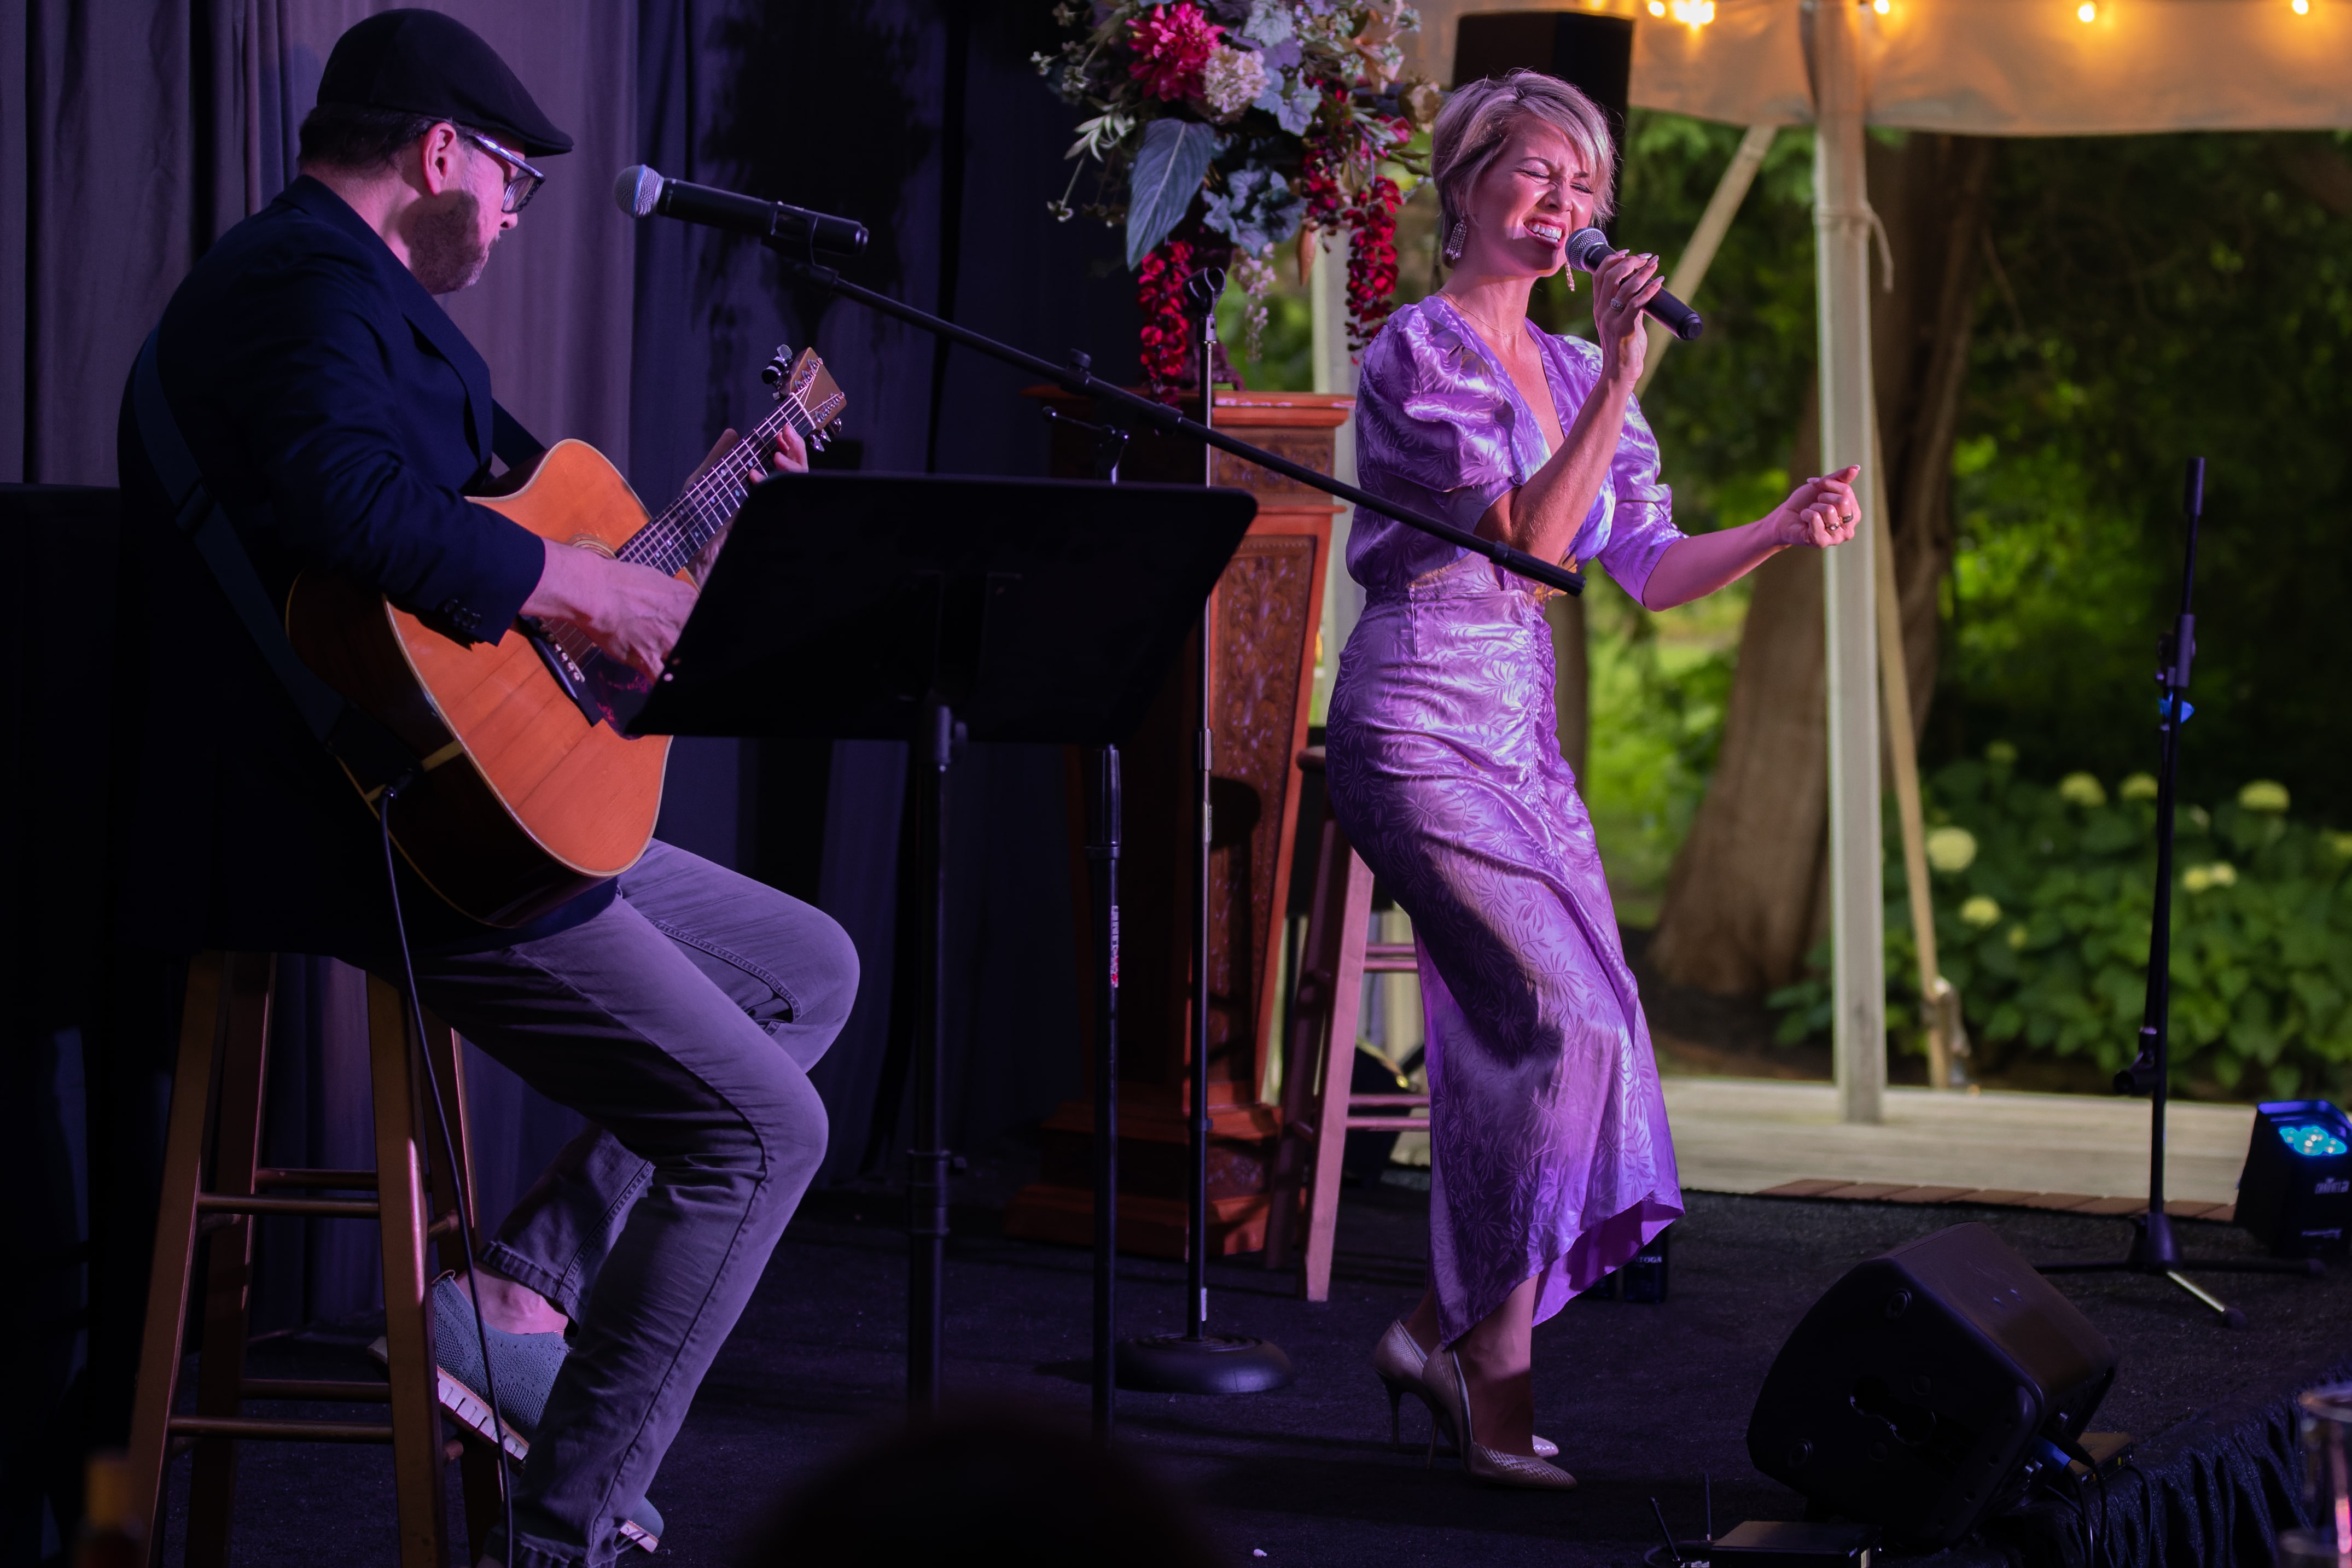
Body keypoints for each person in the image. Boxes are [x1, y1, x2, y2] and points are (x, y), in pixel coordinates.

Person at [113, 11, 857, 1564]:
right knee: (762, 1135)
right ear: (437, 153)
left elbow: (571, 543)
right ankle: (563, 1530)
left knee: (808, 966)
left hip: (456, 787)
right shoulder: (298, 285)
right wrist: (590, 600)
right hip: (361, 817)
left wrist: (700, 534)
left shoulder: (365, 306)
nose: (517, 217)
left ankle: (516, 1292)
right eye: (512, 179)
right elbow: (353, 508)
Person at [1326, 69, 1859, 1490]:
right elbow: (1525, 548)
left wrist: (1778, 527)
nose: (1564, 206)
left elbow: (1645, 572)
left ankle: (1462, 1360)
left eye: (1584, 188)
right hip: (1416, 722)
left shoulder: (1571, 372)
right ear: (1467, 184)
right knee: (1558, 1017)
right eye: (1537, 175)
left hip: (1519, 731)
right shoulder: (1417, 354)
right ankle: (1460, 1350)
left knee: (1592, 1038)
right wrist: (1624, 368)